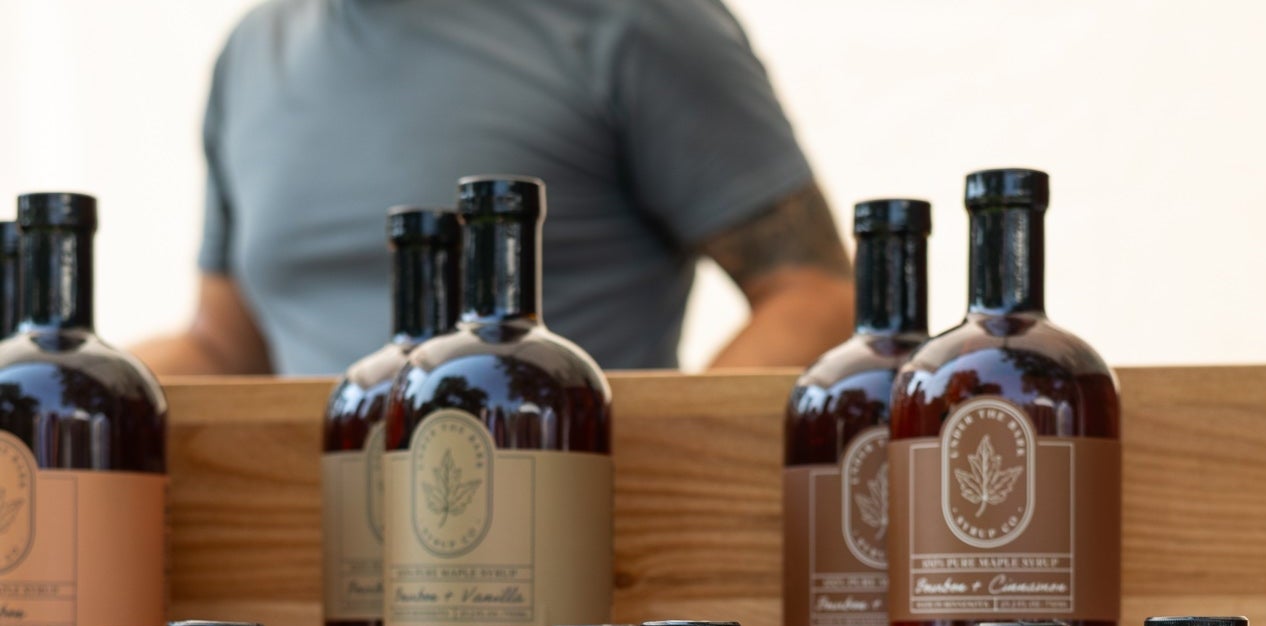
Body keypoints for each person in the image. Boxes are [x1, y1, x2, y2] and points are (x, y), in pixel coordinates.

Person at [135, 0, 853, 376]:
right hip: (316, 577)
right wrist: (45, 386)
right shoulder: (252, 53)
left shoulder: (632, 18)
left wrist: (650, 462)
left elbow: (815, 293)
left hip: (560, 589)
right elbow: (226, 350)